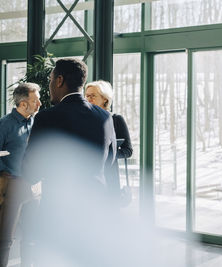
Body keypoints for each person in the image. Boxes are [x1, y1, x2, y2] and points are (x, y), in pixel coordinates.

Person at [22, 58, 116, 265]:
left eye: (51, 79)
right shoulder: (105, 117)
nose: (50, 84)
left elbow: (30, 170)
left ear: (59, 80)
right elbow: (109, 160)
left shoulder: (47, 117)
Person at [0, 83, 41, 267]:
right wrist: (4, 176)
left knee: (32, 234)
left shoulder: (36, 122)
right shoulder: (5, 124)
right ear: (23, 104)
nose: (39, 103)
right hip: (12, 184)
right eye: (35, 100)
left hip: (33, 186)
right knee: (5, 236)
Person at [85, 80, 133, 204]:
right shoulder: (82, 120)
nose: (88, 99)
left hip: (109, 178)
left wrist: (107, 154)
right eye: (87, 95)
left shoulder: (116, 120)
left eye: (93, 96)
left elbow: (128, 150)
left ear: (105, 99)